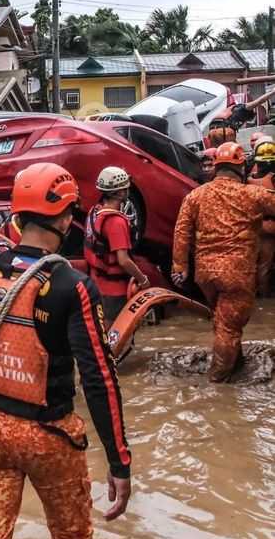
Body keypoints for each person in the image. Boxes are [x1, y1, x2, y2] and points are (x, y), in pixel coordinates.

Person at [0, 162, 132, 539]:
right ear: (66, 218)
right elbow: (99, 377)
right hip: (48, 435)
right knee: (72, 535)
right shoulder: (73, 286)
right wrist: (119, 461)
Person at [173, 141, 275, 381]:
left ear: (217, 167)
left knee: (222, 321)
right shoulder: (252, 193)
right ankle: (218, 385)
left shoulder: (195, 196)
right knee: (229, 327)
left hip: (205, 274)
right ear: (241, 167)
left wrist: (180, 267)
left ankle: (235, 364)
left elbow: (181, 232)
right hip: (237, 273)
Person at [84, 167, 150, 323]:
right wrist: (143, 280)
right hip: (113, 292)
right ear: (120, 193)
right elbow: (123, 260)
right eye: (126, 188)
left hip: (95, 284)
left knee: (103, 334)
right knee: (117, 336)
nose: (128, 191)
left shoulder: (94, 212)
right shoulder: (116, 222)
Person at [250, 138, 275, 297]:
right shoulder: (270, 180)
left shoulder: (250, 180)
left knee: (261, 267)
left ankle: (263, 298)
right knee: (264, 268)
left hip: (258, 227)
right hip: (269, 226)